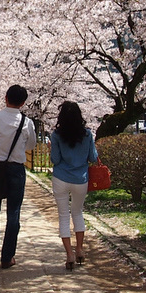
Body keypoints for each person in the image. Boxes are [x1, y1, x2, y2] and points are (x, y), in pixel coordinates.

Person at [0, 84, 36, 269]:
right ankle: (8, 256)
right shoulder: (27, 122)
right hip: (16, 169)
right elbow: (30, 146)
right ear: (23, 103)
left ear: (5, 98)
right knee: (14, 212)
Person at [50, 101, 98, 271]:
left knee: (63, 215)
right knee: (77, 212)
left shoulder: (56, 135)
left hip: (61, 178)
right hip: (80, 179)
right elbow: (93, 158)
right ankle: (79, 249)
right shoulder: (87, 134)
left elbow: (55, 159)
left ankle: (69, 254)